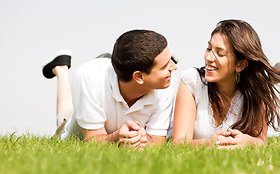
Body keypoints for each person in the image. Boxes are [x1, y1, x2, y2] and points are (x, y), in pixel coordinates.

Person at [172, 19, 280, 148]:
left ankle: (270, 78)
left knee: (261, 82)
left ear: (240, 64)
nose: (209, 58)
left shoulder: (257, 91)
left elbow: (261, 140)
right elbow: (179, 141)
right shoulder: (191, 81)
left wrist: (247, 141)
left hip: (247, 82)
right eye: (209, 48)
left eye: (220, 53)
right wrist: (208, 142)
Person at [43, 30, 178, 148]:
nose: (174, 67)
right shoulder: (87, 76)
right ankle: (61, 68)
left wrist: (144, 140)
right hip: (78, 127)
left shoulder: (167, 84)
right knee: (66, 116)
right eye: (164, 66)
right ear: (139, 77)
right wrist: (117, 137)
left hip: (109, 88)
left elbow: (156, 142)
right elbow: (92, 141)